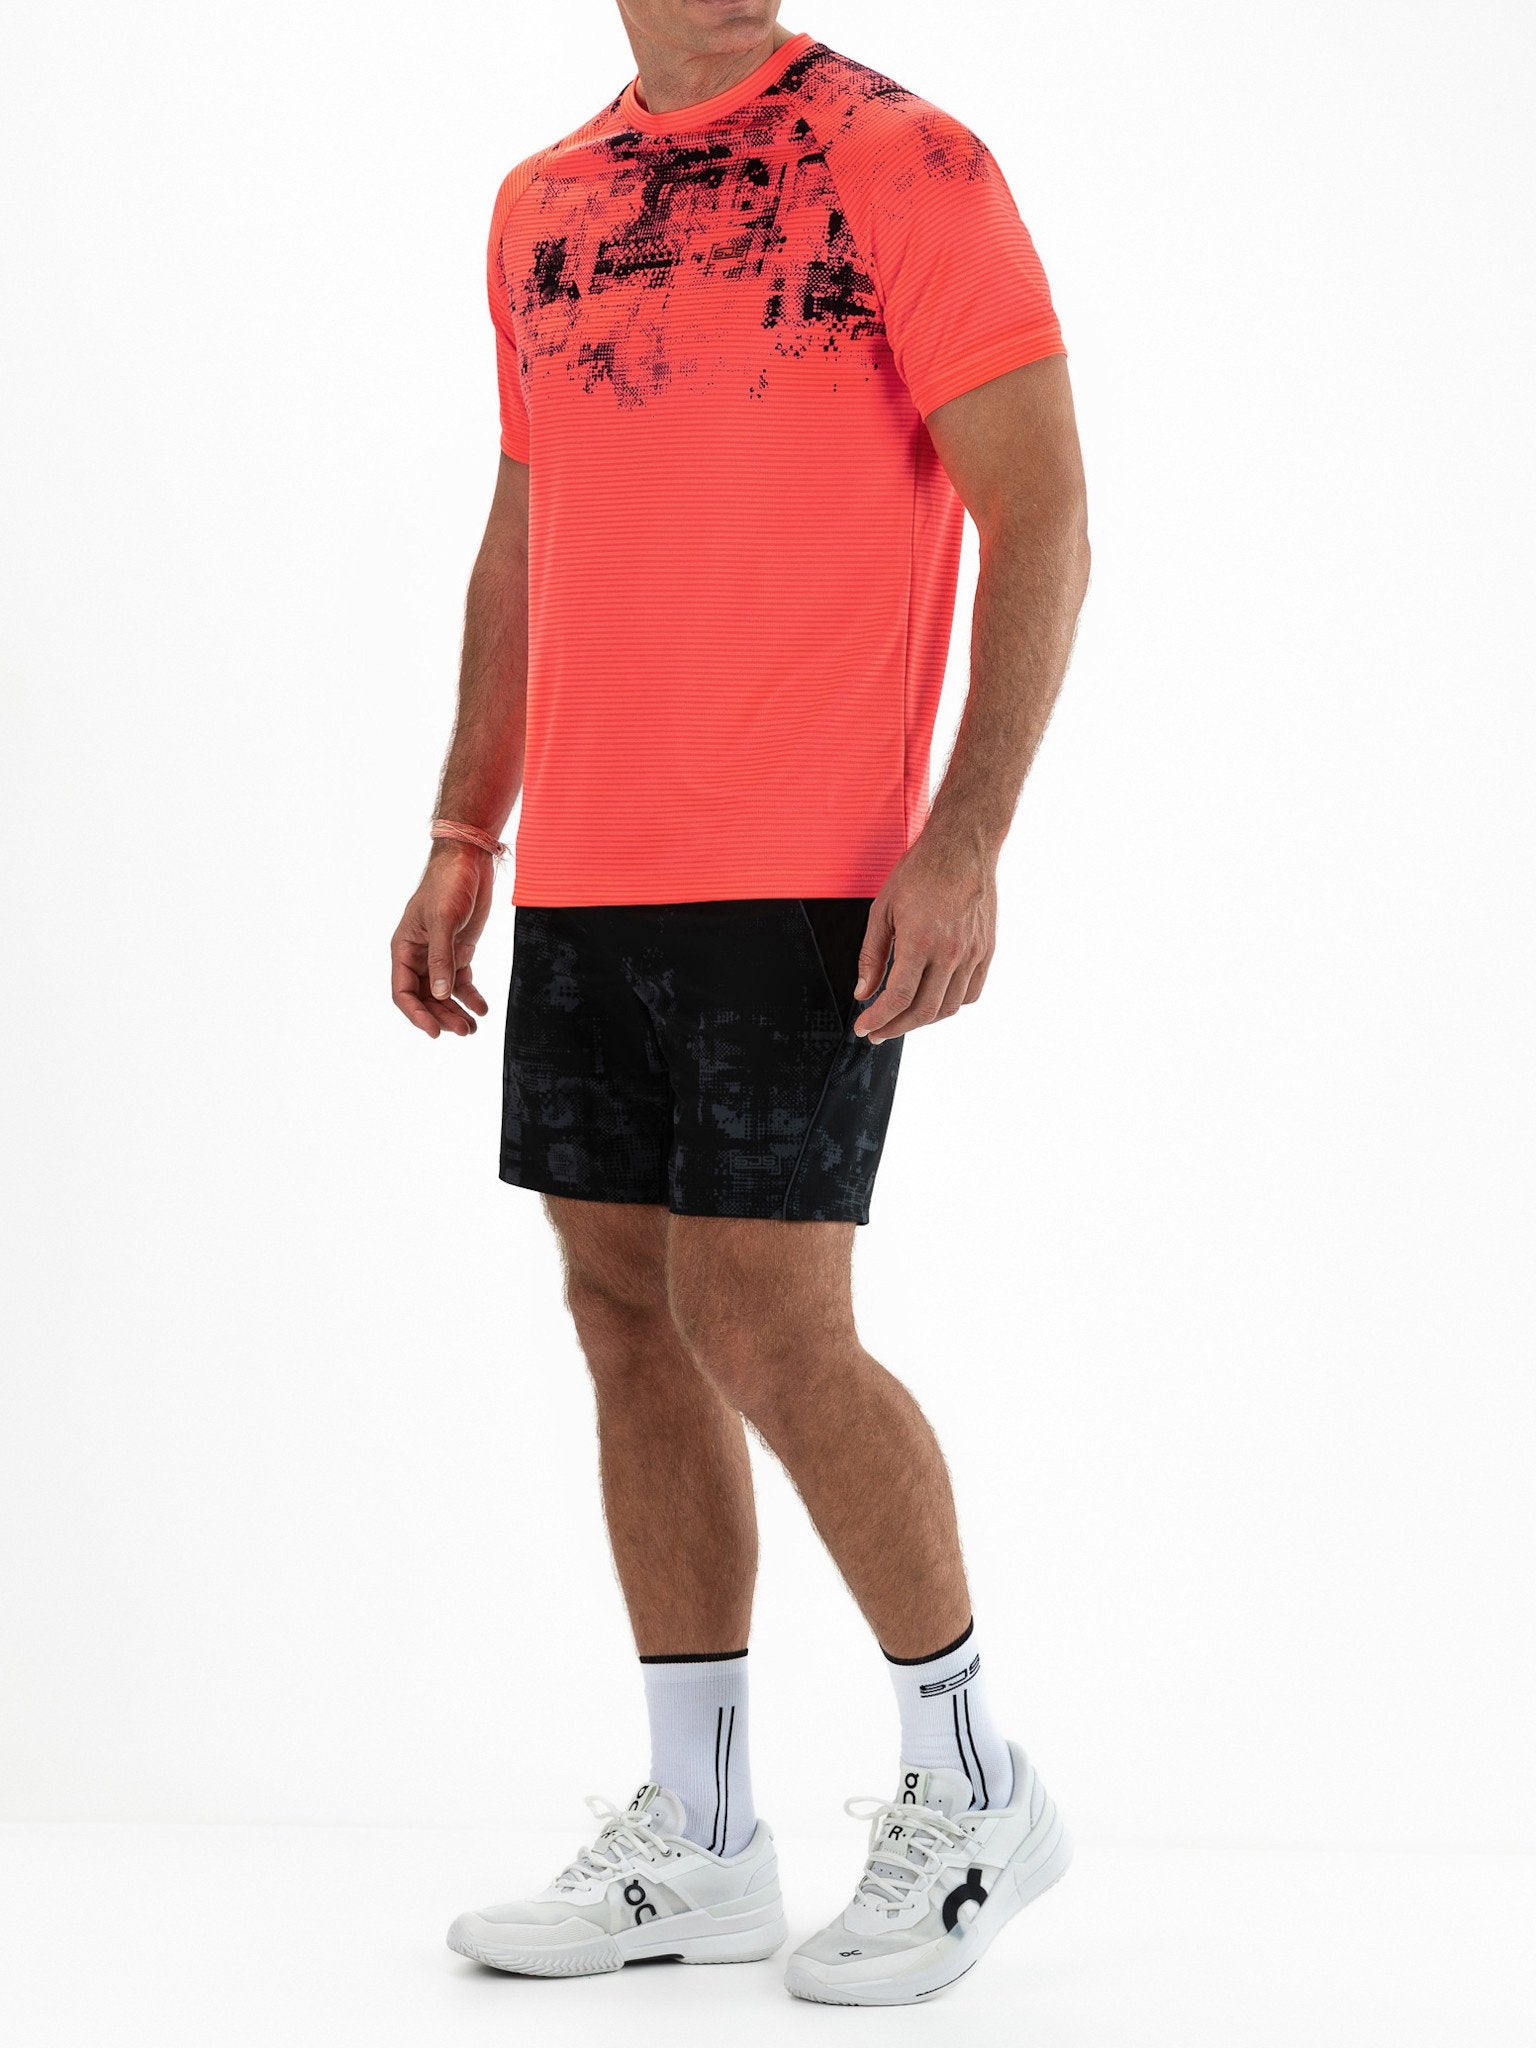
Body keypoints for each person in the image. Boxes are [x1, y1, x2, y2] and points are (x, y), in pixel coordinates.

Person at [390, 0, 1089, 2008]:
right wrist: (466, 822)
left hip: (806, 863)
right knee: (626, 1315)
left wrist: (966, 836)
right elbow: (527, 526)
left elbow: (1045, 512)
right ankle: (703, 1840)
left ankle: (976, 1784)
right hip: (592, 864)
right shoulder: (544, 202)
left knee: (770, 1321)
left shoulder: (904, 159)